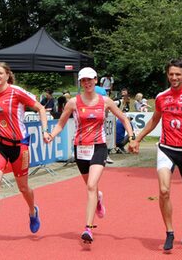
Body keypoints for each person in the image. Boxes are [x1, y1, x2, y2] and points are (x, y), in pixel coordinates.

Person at [130, 59, 182, 251]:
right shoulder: (161, 97)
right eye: (171, 74)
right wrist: (137, 139)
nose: (174, 77)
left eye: (178, 74)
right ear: (167, 75)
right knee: (164, 190)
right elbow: (153, 120)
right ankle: (169, 232)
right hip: (166, 149)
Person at [46, 67, 135, 244]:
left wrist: (131, 137)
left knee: (91, 185)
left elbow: (124, 119)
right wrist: (51, 135)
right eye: (83, 81)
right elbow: (61, 124)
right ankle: (99, 199)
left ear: (96, 80)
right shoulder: (73, 102)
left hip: (98, 147)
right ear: (80, 83)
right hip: (80, 148)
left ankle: (88, 228)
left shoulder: (106, 101)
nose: (86, 83)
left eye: (89, 80)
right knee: (91, 187)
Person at [0, 62, 49, 248]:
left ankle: (33, 210)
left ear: (8, 75)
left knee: (23, 188)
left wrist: (44, 131)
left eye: (0, 73)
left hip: (20, 146)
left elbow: (40, 108)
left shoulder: (17, 92)